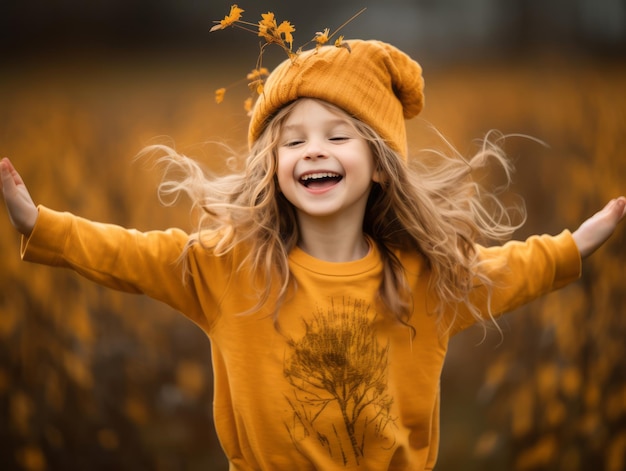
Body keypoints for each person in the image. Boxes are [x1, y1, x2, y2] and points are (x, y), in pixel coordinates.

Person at [1, 38, 625, 470]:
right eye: (292, 140)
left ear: (381, 165)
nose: (312, 151)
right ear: (271, 168)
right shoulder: (230, 269)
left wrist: (575, 245)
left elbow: (508, 271)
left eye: (337, 134)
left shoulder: (426, 282)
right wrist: (41, 224)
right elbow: (130, 255)